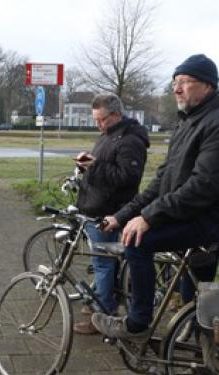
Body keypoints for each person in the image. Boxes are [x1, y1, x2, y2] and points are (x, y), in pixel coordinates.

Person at [91, 54, 219, 340]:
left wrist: (148, 218)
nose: (176, 89)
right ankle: (193, 354)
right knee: (194, 298)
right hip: (195, 214)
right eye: (175, 82)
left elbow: (202, 186)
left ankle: (137, 324)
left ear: (208, 86)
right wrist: (122, 216)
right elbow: (160, 183)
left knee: (138, 243)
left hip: (217, 219)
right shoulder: (187, 124)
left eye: (185, 82)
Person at [72, 94, 149, 335]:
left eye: (101, 120)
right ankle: (102, 301)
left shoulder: (130, 141)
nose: (98, 125)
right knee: (104, 263)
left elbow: (127, 178)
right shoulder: (109, 135)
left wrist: (95, 166)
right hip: (97, 206)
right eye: (95, 120)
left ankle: (103, 313)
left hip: (110, 211)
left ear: (115, 115)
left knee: (103, 263)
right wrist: (87, 164)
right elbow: (105, 166)